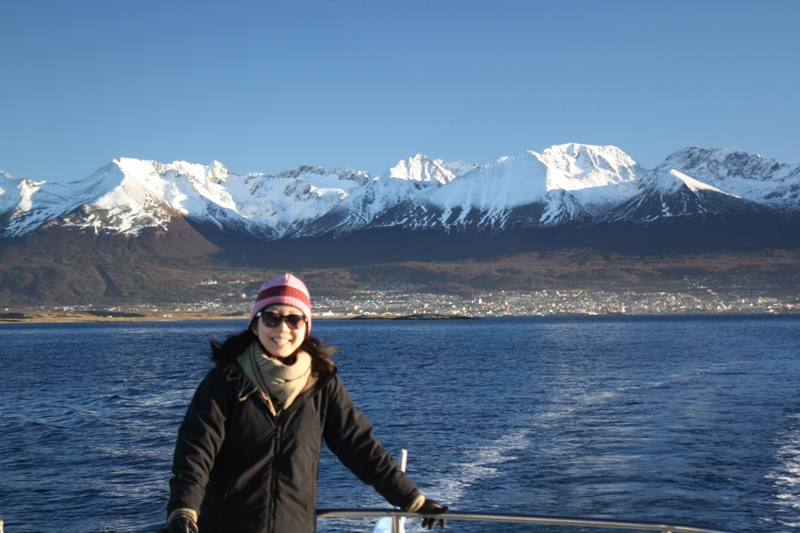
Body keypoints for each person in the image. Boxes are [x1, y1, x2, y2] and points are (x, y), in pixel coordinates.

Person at [160, 273, 447, 533]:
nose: (282, 328)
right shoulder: (226, 381)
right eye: (271, 317)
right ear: (255, 323)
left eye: (293, 319)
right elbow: (195, 452)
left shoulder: (321, 385)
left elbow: (360, 449)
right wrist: (183, 510)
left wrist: (412, 499)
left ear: (306, 326)